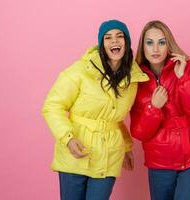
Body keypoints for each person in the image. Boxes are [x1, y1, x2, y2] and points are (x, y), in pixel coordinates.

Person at [42, 19, 148, 200]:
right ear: (101, 44)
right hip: (76, 151)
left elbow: (116, 118)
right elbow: (53, 106)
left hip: (109, 154)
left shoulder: (134, 79)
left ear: (127, 42)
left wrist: (127, 147)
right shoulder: (80, 71)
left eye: (119, 36)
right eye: (108, 38)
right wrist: (67, 138)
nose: (114, 41)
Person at [130, 20, 190, 200]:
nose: (155, 48)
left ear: (168, 44)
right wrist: (153, 107)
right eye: (150, 42)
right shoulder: (136, 80)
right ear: (143, 47)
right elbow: (139, 132)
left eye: (161, 42)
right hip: (160, 160)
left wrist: (183, 78)